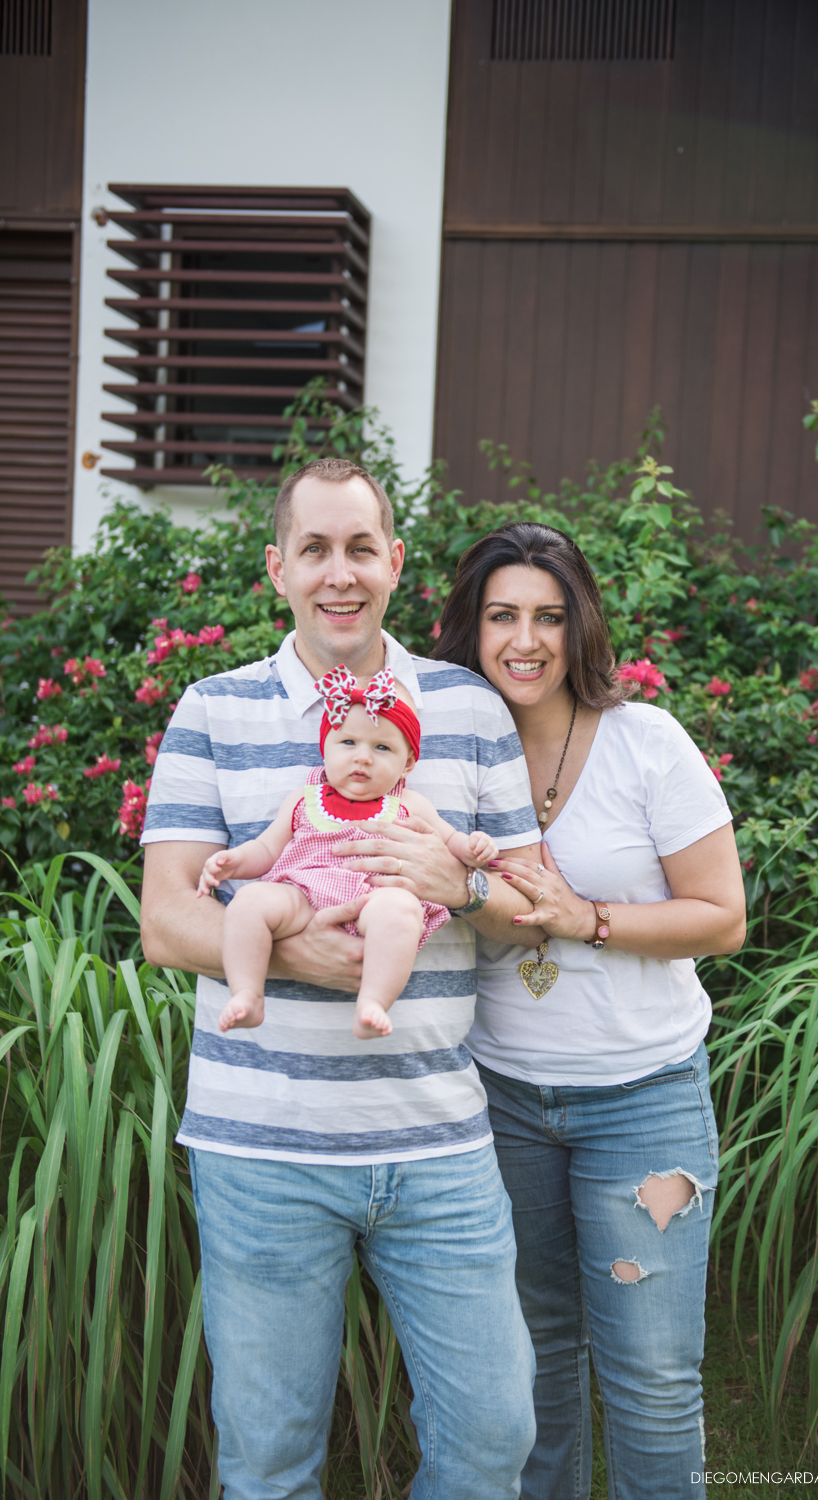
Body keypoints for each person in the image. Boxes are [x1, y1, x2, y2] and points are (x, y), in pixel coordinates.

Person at [139, 458, 540, 1500]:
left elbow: (527, 907)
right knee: (269, 1463)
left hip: (437, 1143)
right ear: (278, 568)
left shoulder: (467, 708)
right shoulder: (211, 710)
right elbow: (167, 916)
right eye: (314, 549)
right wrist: (291, 947)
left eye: (360, 547)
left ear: (394, 563)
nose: (339, 573)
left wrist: (452, 878)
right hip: (260, 1151)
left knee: (492, 1440)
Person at [431, 521, 747, 1500]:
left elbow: (722, 917)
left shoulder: (644, 742)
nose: (523, 640)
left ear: (579, 629)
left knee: (651, 1379)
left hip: (639, 1099)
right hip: (501, 1102)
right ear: (468, 630)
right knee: (531, 1368)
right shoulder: (444, 755)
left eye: (547, 617)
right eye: (501, 616)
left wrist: (587, 918)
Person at [198, 666, 498, 1037]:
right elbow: (266, 848)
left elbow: (451, 842)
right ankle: (247, 993)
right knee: (250, 902)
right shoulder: (304, 798)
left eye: (382, 747)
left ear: (407, 764)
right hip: (302, 897)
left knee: (402, 912)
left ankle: (372, 1001)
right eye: (348, 743)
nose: (363, 758)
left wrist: (474, 847)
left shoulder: (409, 803)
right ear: (325, 748)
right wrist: (233, 862)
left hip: (376, 900)